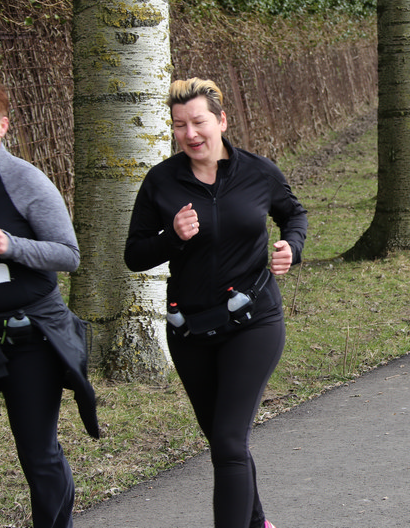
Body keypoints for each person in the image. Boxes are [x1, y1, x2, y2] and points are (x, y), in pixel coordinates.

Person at [124, 78, 308, 528]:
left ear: (221, 121)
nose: (190, 134)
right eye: (179, 125)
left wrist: (291, 246)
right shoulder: (161, 181)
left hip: (254, 320)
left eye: (199, 122)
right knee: (226, 444)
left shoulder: (258, 172)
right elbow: (135, 255)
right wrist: (172, 236)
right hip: (190, 330)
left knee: (227, 441)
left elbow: (293, 214)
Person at [0, 77, 98, 528]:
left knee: (38, 453)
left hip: (30, 337)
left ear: (2, 125)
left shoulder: (26, 181)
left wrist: (12, 246)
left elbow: (68, 255)